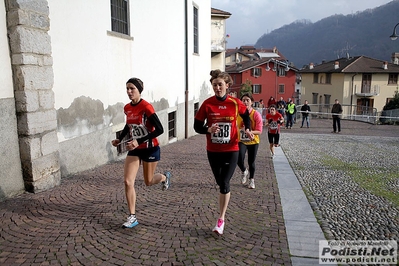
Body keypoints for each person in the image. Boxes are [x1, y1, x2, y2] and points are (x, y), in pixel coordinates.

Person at [194, 69, 253, 235]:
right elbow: (197, 126)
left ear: (227, 85)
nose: (217, 88)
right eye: (214, 85)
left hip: (231, 148)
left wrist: (247, 128)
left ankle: (221, 219)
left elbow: (246, 115)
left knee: (225, 183)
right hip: (213, 150)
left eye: (220, 85)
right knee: (220, 183)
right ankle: (222, 212)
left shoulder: (235, 103)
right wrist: (208, 129)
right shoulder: (207, 104)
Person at [111, 77, 171, 229]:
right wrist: (120, 139)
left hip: (150, 148)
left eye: (132, 89)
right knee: (127, 181)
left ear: (139, 90)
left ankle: (164, 177)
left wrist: (140, 140)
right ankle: (132, 217)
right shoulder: (127, 107)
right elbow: (128, 126)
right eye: (127, 89)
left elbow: (160, 129)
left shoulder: (146, 107)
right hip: (135, 149)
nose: (129, 92)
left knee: (148, 181)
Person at [237, 93, 263, 189]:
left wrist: (250, 132)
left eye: (248, 100)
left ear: (251, 102)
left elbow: (259, 131)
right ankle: (244, 171)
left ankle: (252, 180)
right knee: (238, 158)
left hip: (253, 141)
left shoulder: (256, 114)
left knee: (251, 161)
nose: (245, 102)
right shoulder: (238, 113)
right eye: (243, 100)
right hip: (241, 140)